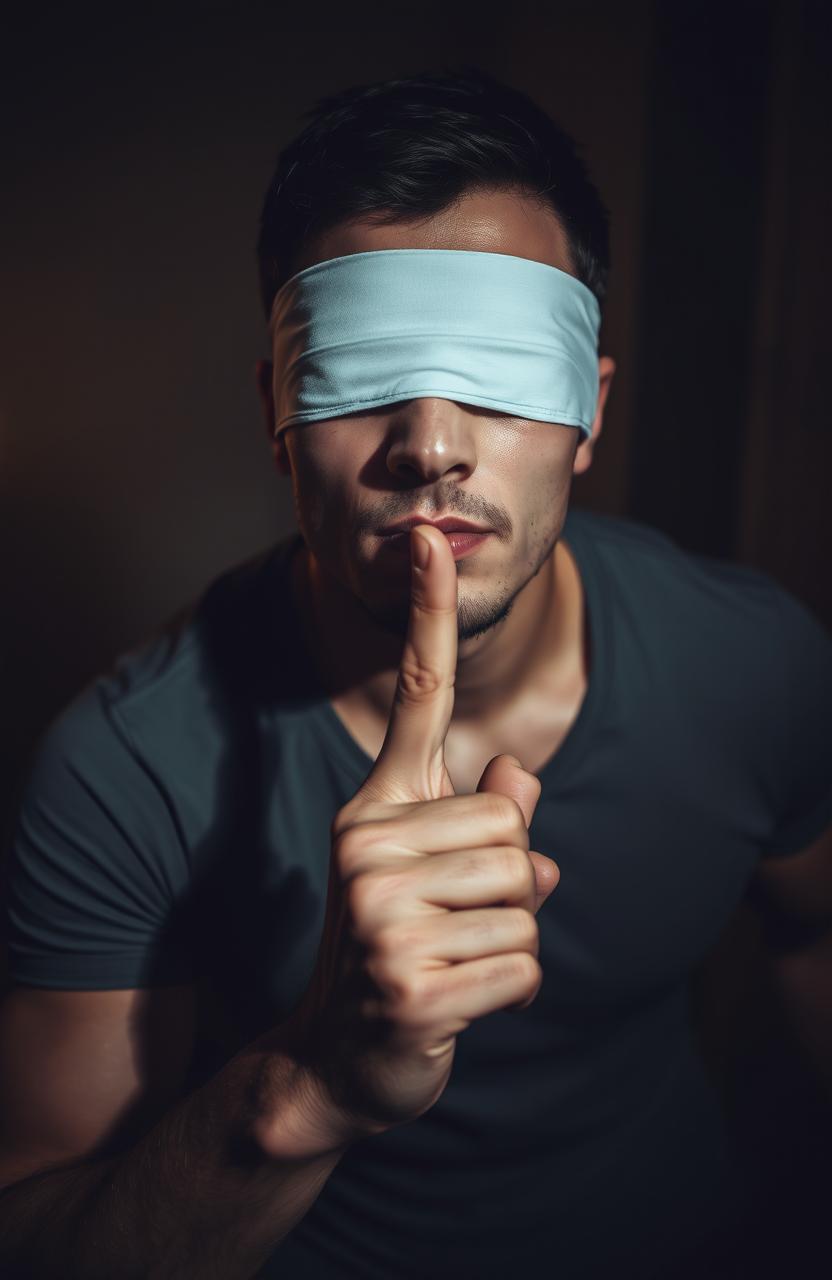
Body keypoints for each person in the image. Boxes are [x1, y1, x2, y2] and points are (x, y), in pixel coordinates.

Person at [1, 66, 831, 1280]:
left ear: (587, 412)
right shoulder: (125, 764)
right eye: (360, 370)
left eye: (503, 369)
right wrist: (310, 1084)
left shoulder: (753, 660)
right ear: (276, 410)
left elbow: (815, 931)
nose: (431, 446)